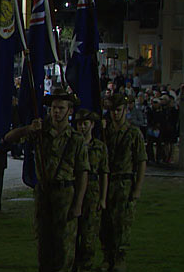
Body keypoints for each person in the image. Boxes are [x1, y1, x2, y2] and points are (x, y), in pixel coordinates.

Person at [4, 88, 89, 272]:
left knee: (65, 248)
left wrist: (78, 204)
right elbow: (8, 138)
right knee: (45, 248)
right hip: (44, 194)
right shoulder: (40, 133)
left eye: (60, 108)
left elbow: (83, 173)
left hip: (65, 195)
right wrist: (29, 128)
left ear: (69, 111)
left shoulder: (76, 139)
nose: (56, 112)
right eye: (53, 108)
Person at [100, 93, 147, 272]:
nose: (115, 114)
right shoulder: (106, 132)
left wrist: (137, 189)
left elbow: (141, 161)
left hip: (124, 182)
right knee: (105, 223)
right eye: (112, 111)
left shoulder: (133, 133)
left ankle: (120, 257)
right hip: (108, 182)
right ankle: (107, 256)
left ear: (125, 111)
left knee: (122, 222)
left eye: (119, 110)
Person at [74, 109, 109, 272]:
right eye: (79, 124)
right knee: (73, 234)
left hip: (93, 193)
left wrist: (103, 198)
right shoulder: (72, 145)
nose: (82, 127)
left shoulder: (100, 147)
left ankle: (86, 266)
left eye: (85, 124)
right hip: (74, 192)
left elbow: (104, 173)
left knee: (89, 235)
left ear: (92, 125)